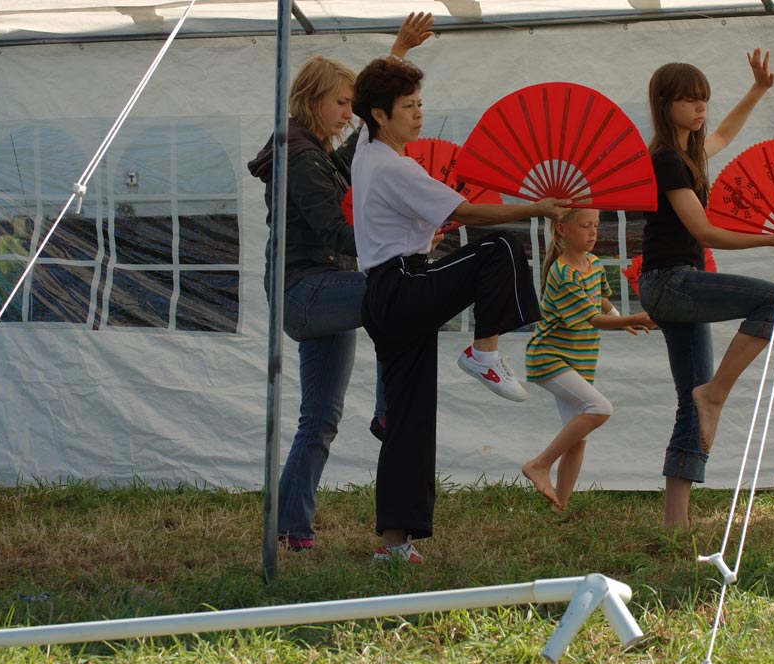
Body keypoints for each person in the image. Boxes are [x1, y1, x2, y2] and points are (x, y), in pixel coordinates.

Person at [351, 57, 570, 563]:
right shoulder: (393, 164)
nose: (419, 114)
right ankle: (483, 353)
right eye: (408, 107)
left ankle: (395, 544)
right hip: (402, 285)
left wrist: (400, 48)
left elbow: (425, 218)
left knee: (408, 421)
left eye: (421, 104)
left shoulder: (365, 151)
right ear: (380, 115)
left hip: (384, 294)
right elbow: (465, 211)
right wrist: (536, 208)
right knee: (497, 249)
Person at [248, 13, 435, 551]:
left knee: (320, 420)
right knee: (397, 290)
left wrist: (397, 51)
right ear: (312, 101)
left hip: (327, 292)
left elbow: (365, 147)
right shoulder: (299, 158)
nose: (350, 114)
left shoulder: (322, 153)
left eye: (353, 104)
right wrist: (407, 237)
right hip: (306, 296)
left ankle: (290, 527)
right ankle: (387, 410)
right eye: (341, 104)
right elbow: (336, 228)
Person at [637, 49, 774, 529]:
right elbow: (704, 233)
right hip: (669, 283)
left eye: (703, 99)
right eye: (689, 100)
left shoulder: (687, 155)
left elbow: (724, 133)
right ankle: (717, 394)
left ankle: (674, 523)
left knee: (689, 400)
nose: (700, 108)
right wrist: (769, 237)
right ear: (665, 105)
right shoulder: (665, 160)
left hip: (672, 284)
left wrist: (758, 89)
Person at [523, 208, 654, 511]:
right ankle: (539, 464)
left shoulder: (594, 264)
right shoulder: (562, 272)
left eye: (596, 225)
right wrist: (628, 320)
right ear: (562, 230)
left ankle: (560, 507)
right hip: (550, 358)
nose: (594, 232)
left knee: (578, 439)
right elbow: (592, 318)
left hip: (578, 361)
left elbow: (601, 301)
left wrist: (621, 318)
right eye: (585, 225)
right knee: (600, 408)